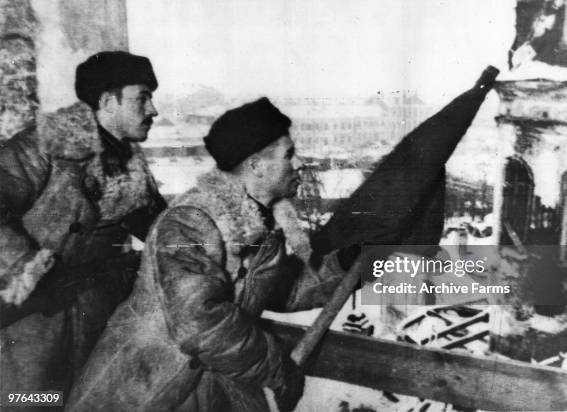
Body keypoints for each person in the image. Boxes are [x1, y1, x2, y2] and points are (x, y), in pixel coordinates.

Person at [66, 98, 355, 412]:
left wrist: (344, 264)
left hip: (211, 384)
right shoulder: (190, 221)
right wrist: (276, 366)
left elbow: (284, 290)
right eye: (289, 154)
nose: (299, 164)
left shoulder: (260, 223)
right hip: (146, 389)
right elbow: (201, 323)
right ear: (257, 165)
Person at [0, 51, 166, 403]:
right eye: (143, 97)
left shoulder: (131, 166)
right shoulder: (44, 146)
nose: (153, 110)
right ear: (108, 101)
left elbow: (166, 234)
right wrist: (26, 267)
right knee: (27, 404)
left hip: (97, 324)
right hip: (31, 325)